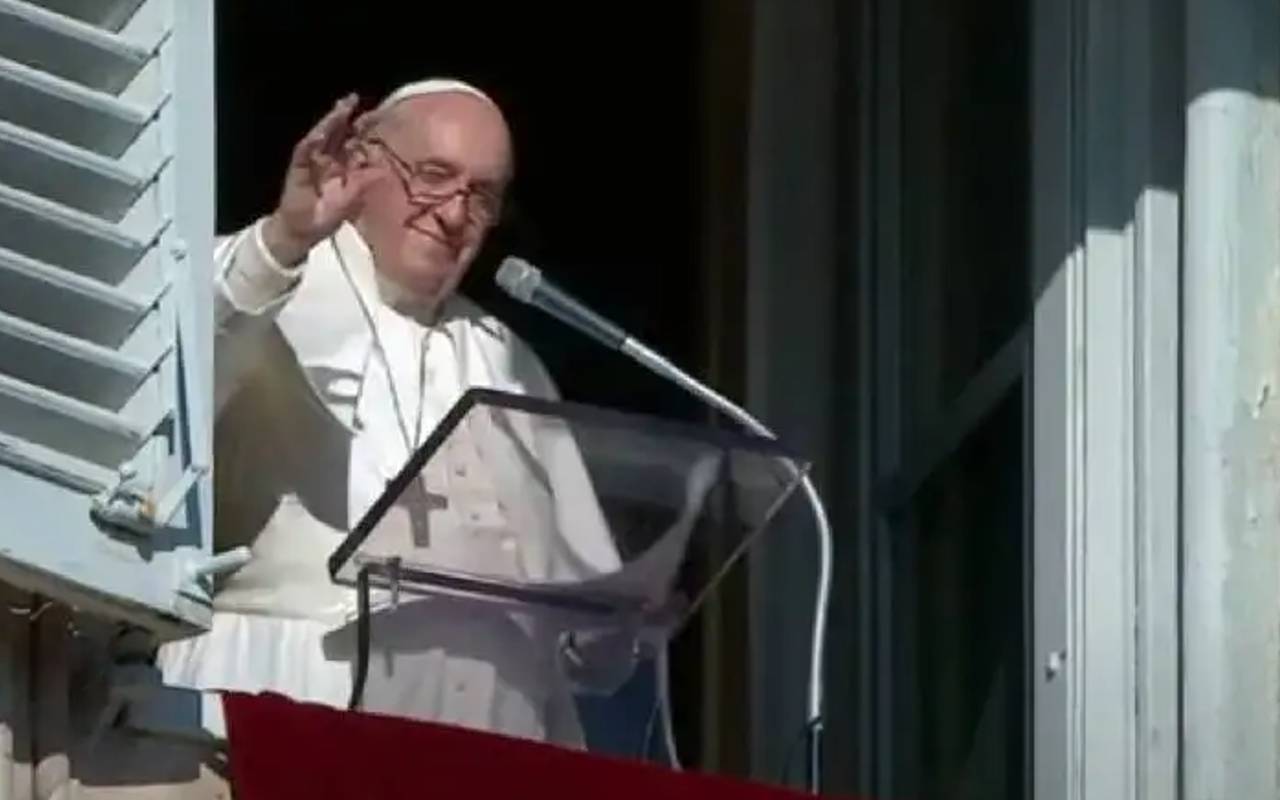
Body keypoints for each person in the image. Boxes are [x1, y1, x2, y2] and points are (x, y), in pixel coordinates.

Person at [156, 78, 635, 757]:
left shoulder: (508, 360)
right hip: (282, 689)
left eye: (482, 195)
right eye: (434, 176)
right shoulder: (266, 270)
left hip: (477, 727)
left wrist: (622, 611)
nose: (453, 212)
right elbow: (167, 389)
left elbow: (590, 617)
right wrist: (284, 240)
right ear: (360, 163)